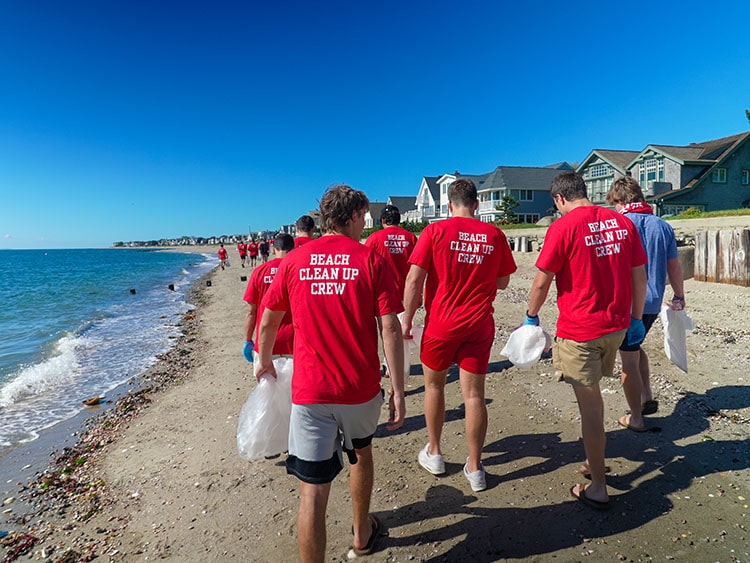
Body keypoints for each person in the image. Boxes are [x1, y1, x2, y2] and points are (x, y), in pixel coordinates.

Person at [257, 184, 406, 562]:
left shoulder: (292, 261)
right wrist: (400, 390)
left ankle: (353, 537)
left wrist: (264, 358)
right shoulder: (369, 259)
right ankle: (361, 533)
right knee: (361, 453)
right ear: (355, 216)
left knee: (312, 491)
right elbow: (389, 326)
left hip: (310, 393)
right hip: (359, 388)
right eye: (363, 218)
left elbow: (269, 319)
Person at [524, 171, 647, 510]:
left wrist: (531, 316)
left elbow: (541, 282)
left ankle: (597, 486)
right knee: (595, 402)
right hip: (617, 327)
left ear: (560, 198)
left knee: (591, 409)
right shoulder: (622, 223)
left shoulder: (563, 227)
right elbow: (640, 275)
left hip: (581, 330)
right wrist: (636, 319)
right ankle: (595, 460)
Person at [402, 178, 517, 492]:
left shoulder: (435, 231)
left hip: (441, 324)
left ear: (449, 205)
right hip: (478, 324)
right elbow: (504, 282)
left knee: (434, 387)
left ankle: (436, 452)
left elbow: (414, 281)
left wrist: (407, 320)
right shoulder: (494, 234)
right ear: (476, 204)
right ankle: (476, 468)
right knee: (474, 396)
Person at [606, 176, 685, 431]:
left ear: (620, 200)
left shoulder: (619, 224)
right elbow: (674, 266)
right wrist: (679, 296)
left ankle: (636, 417)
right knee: (635, 348)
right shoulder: (662, 225)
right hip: (653, 301)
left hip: (628, 303)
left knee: (627, 358)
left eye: (615, 203)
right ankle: (647, 395)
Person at [242, 233, 295, 364]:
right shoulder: (298, 270)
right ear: (294, 249)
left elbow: (251, 311)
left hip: (265, 343)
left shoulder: (260, 271)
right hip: (294, 342)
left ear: (273, 249)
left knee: (266, 384)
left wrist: (247, 340)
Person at [364, 204, 418, 297]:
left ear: (383, 220)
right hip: (406, 292)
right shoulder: (411, 237)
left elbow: (365, 264)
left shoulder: (375, 238)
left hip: (383, 293)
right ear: (398, 220)